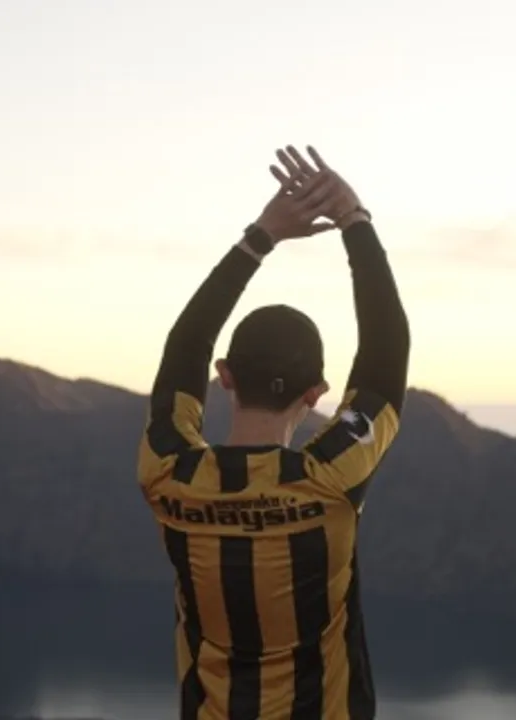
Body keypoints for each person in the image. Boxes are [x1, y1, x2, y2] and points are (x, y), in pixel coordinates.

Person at [138, 145, 410, 720]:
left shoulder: (169, 472)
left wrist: (260, 237)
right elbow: (385, 359)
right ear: (316, 394)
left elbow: (183, 348)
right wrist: (353, 219)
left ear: (225, 377)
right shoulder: (329, 480)